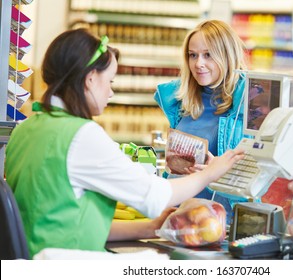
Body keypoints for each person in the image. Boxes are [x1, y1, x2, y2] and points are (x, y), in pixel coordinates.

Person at [4, 28, 245, 257]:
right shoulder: (81, 136)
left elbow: (65, 220)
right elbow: (154, 198)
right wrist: (209, 174)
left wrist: (150, 228)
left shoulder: (25, 129)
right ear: (90, 79)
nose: (110, 93)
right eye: (110, 82)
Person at [154, 20, 249, 223]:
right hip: (177, 219)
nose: (199, 64)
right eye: (193, 55)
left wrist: (216, 173)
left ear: (227, 56)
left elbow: (255, 183)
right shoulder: (181, 101)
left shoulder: (248, 106)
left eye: (208, 55)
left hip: (220, 224)